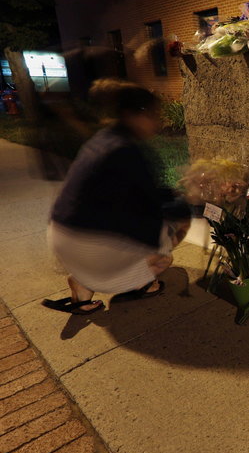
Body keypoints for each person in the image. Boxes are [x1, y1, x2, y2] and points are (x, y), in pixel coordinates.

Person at [43, 79, 191, 315]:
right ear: (134, 115)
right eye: (154, 115)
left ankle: (83, 285)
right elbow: (153, 208)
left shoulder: (105, 139)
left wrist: (171, 195)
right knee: (172, 236)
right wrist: (190, 200)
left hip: (62, 237)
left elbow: (138, 195)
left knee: (160, 217)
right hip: (89, 245)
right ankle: (142, 281)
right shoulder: (127, 150)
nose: (158, 122)